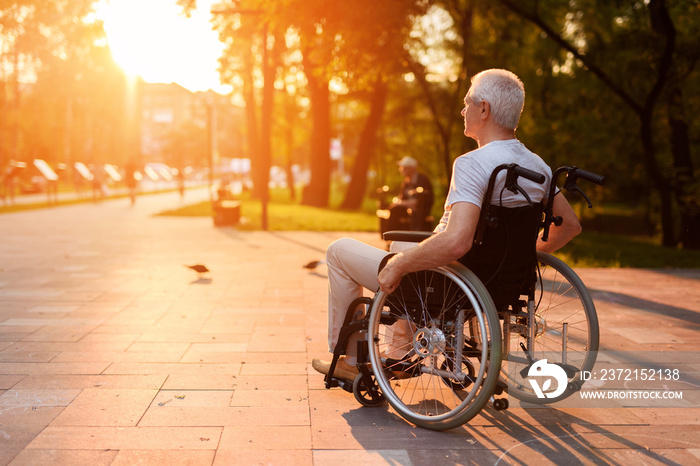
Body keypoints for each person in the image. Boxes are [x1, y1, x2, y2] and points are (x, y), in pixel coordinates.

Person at [312, 69, 582, 381]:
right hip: (498, 284)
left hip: (448, 282)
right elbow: (570, 225)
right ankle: (399, 354)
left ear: (484, 109)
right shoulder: (538, 166)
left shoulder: (472, 164)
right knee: (403, 244)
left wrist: (399, 265)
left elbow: (456, 242)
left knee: (338, 251)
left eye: (468, 104)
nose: (463, 110)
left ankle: (348, 358)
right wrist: (522, 255)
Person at [379, 157, 434, 233]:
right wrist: (399, 202)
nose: (401, 169)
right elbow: (402, 197)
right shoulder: (405, 181)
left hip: (421, 209)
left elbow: (418, 201)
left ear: (411, 169)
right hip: (408, 208)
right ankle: (391, 235)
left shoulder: (422, 180)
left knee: (396, 209)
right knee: (394, 209)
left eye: (403, 167)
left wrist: (401, 203)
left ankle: (394, 235)